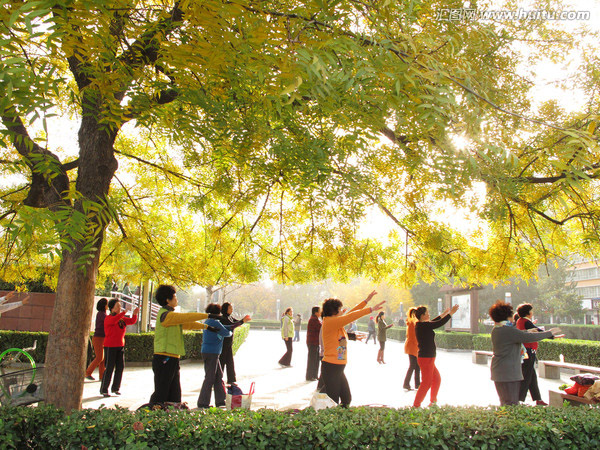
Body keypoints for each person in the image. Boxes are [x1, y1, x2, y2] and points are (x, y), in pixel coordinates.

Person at [150, 285, 221, 404]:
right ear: (168, 300)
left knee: (175, 395)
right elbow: (186, 317)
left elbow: (187, 324)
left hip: (173, 358)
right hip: (164, 358)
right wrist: (207, 316)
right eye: (174, 297)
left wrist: (207, 327)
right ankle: (150, 414)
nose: (177, 299)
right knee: (161, 393)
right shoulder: (166, 315)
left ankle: (170, 416)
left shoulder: (171, 316)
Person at [489, 300, 562, 406]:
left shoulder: (497, 329)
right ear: (507, 316)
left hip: (499, 371)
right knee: (511, 404)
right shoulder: (508, 330)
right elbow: (528, 338)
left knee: (504, 403)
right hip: (509, 372)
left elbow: (517, 335)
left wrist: (527, 331)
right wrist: (549, 333)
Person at [321, 290, 385, 407]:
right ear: (334, 311)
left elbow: (352, 312)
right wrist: (370, 309)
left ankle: (341, 420)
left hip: (338, 367)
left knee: (346, 399)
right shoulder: (330, 322)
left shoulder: (335, 322)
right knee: (333, 402)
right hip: (331, 367)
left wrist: (366, 301)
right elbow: (352, 316)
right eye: (340, 309)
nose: (342, 311)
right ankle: (330, 421)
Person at [413, 304, 459, 407]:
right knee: (426, 383)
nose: (429, 314)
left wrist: (443, 314)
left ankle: (433, 402)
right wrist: (451, 313)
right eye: (427, 313)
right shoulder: (423, 326)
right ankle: (416, 405)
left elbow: (434, 322)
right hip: (426, 359)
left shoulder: (422, 325)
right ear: (422, 315)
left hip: (428, 358)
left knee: (436, 379)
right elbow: (438, 323)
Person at [100, 299, 139, 397]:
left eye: (120, 306)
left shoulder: (121, 318)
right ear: (112, 308)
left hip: (120, 346)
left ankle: (115, 388)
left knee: (120, 367)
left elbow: (131, 321)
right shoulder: (108, 318)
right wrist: (123, 313)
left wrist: (134, 314)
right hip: (110, 346)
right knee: (109, 368)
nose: (119, 308)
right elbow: (114, 320)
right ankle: (104, 389)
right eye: (117, 306)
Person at [197, 303, 232, 408]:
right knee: (210, 377)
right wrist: (231, 330)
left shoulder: (208, 321)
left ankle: (221, 400)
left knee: (218, 376)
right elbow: (227, 333)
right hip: (212, 353)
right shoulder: (215, 322)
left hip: (209, 352)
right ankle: (203, 403)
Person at [516, 303, 548, 405]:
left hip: (526, 351)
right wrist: (551, 334)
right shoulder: (526, 321)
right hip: (529, 351)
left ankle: (537, 399)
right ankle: (519, 399)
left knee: (532, 376)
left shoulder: (521, 321)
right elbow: (538, 331)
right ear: (528, 312)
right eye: (531, 310)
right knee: (527, 375)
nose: (532, 312)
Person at [218, 302, 251, 385]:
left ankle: (231, 379)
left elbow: (236, 322)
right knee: (221, 362)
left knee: (230, 362)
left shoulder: (230, 317)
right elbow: (232, 326)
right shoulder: (222, 318)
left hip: (229, 343)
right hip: (223, 343)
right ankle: (218, 380)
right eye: (230, 308)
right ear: (225, 309)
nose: (232, 309)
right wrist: (242, 321)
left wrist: (243, 320)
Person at [85, 298, 108, 381]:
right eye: (107, 304)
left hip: (102, 338)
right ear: (104, 305)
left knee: (103, 358)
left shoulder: (102, 314)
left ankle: (102, 376)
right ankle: (88, 372)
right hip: (98, 338)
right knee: (99, 357)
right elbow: (108, 321)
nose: (107, 306)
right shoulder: (102, 314)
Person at [403, 307, 420, 391]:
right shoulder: (412, 323)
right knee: (413, 365)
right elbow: (413, 337)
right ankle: (406, 384)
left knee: (416, 366)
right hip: (413, 347)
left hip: (412, 347)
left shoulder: (411, 323)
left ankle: (417, 384)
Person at [306, 306, 322, 381]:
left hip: (315, 342)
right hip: (313, 342)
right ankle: (310, 376)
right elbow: (321, 327)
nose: (320, 313)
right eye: (319, 311)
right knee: (312, 360)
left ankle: (314, 375)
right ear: (316, 312)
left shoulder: (316, 319)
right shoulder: (313, 320)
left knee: (316, 360)